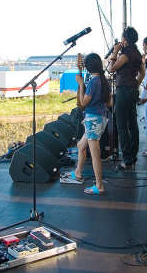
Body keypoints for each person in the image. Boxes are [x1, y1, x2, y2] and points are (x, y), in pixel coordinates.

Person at [61, 53, 112, 194]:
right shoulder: (103, 80)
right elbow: (109, 102)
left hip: (93, 119)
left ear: (88, 67)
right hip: (101, 117)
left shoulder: (93, 82)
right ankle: (77, 172)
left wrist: (80, 84)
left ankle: (99, 186)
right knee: (81, 146)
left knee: (95, 155)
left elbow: (83, 103)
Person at [108, 27, 144, 170]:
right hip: (132, 90)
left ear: (125, 39)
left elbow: (111, 69)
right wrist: (136, 84)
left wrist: (115, 52)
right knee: (132, 124)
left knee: (121, 125)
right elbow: (142, 72)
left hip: (123, 91)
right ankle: (132, 157)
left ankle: (127, 160)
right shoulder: (137, 53)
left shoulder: (125, 54)